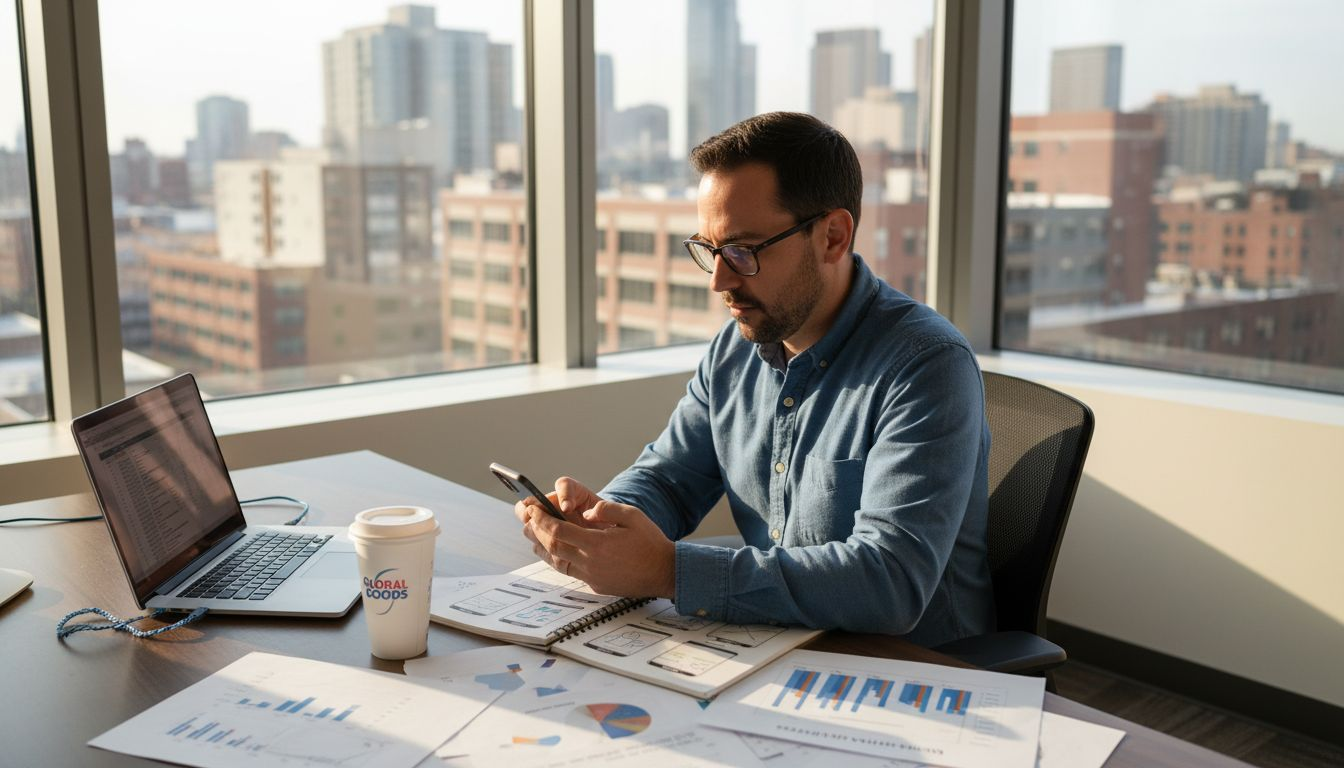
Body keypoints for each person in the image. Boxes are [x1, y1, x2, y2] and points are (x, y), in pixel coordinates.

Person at [517, 111, 992, 646]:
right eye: (709, 249)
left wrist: (668, 571)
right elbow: (669, 479)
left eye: (742, 251)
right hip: (776, 641)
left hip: (910, 668)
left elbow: (890, 583)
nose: (719, 279)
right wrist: (599, 524)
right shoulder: (735, 347)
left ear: (833, 236)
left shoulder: (927, 364)